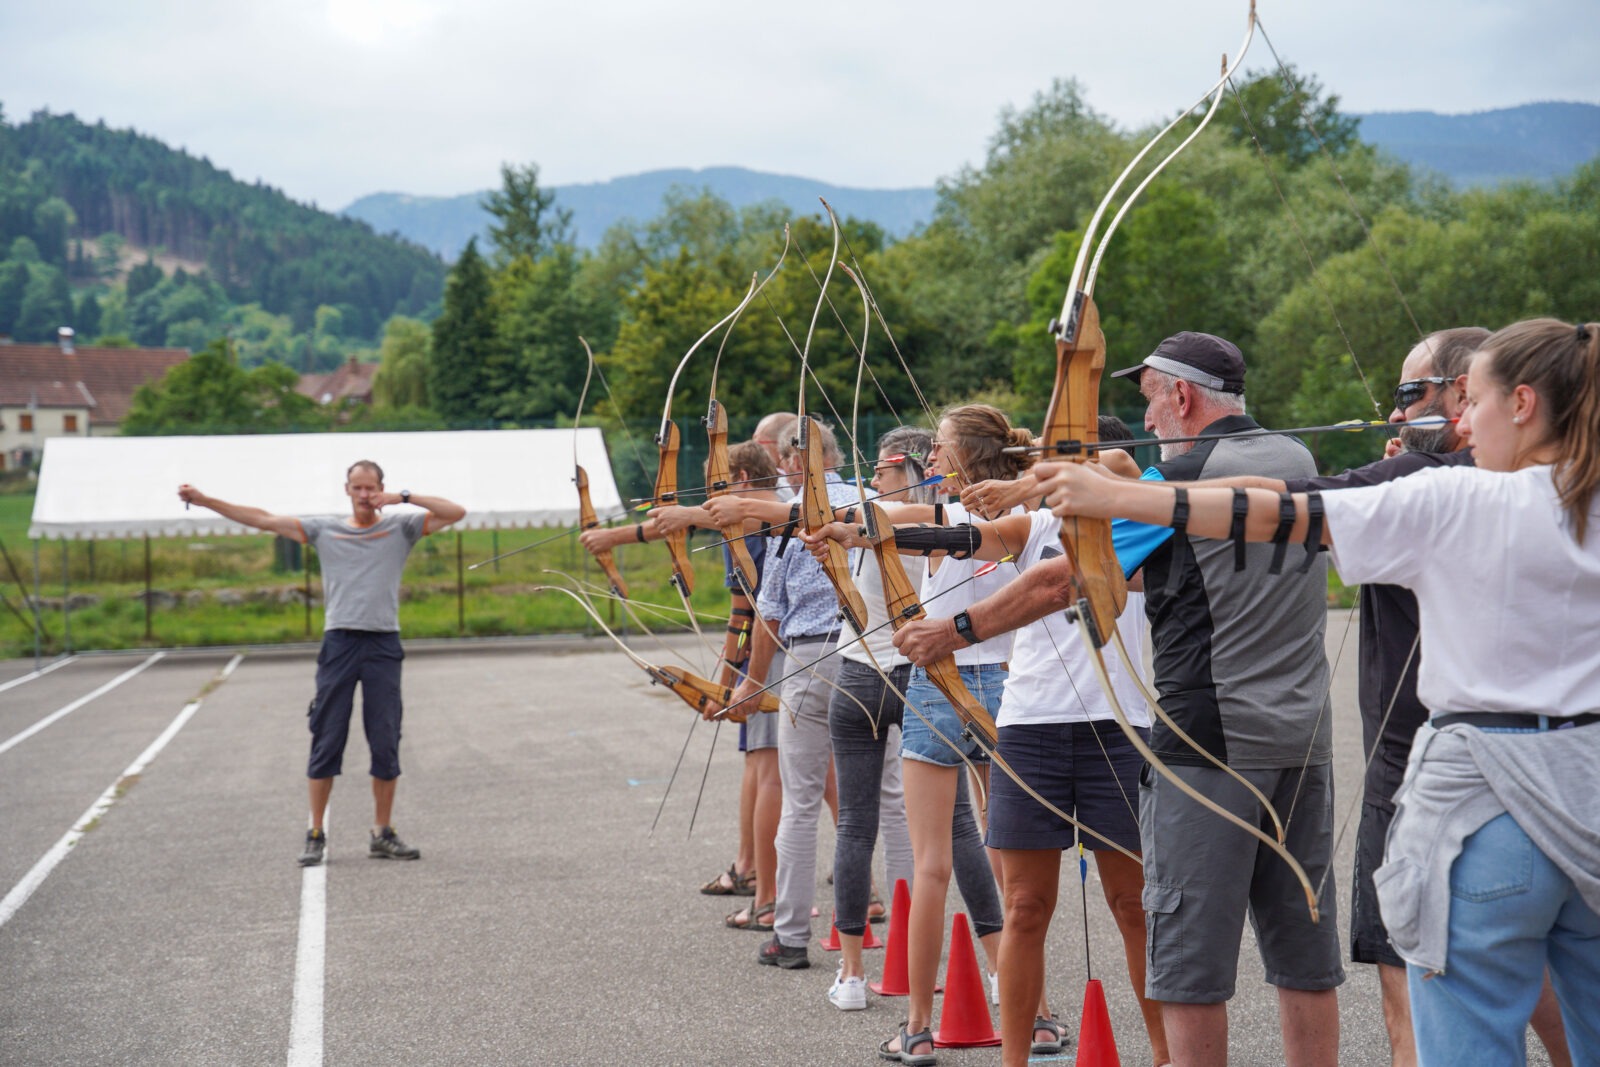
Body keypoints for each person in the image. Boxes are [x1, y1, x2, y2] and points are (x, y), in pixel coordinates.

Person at [1036, 317, 1600, 1067]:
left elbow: (1278, 511)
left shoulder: (1455, 496)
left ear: (1524, 403)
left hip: (1484, 812)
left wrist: (1116, 495)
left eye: (1477, 401)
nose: (1463, 419)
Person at [1192, 327, 1570, 1067]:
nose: (1395, 416)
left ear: (1469, 398)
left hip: (1427, 779)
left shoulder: (1438, 490)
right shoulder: (1544, 487)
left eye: (1410, 397)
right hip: (1536, 776)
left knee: (1416, 994)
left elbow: (1280, 506)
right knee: (1539, 960)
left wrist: (1122, 492)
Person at [838, 418, 1163, 1066]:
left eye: (1068, 453)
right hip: (1030, 726)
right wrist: (867, 526)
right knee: (1024, 905)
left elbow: (1128, 469)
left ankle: (1165, 1053)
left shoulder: (1147, 517)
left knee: (1134, 903)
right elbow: (958, 532)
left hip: (1118, 728)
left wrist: (1055, 475)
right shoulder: (1033, 525)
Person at [178, 461, 465, 865]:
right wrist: (206, 501)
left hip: (383, 643)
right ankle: (316, 832)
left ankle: (382, 832)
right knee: (327, 735)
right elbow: (261, 519)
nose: (365, 495)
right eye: (357, 488)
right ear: (346, 490)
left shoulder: (401, 528)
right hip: (340, 643)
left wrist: (403, 497)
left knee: (385, 738)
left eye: (371, 488)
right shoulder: (324, 530)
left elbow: (456, 513)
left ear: (381, 489)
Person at [816, 426, 927, 1012]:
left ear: (900, 467)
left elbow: (791, 508)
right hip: (905, 676)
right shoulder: (946, 518)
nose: (872, 479)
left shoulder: (873, 512)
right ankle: (893, 962)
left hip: (874, 676)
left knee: (862, 824)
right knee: (934, 823)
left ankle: (855, 975)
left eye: (880, 471)